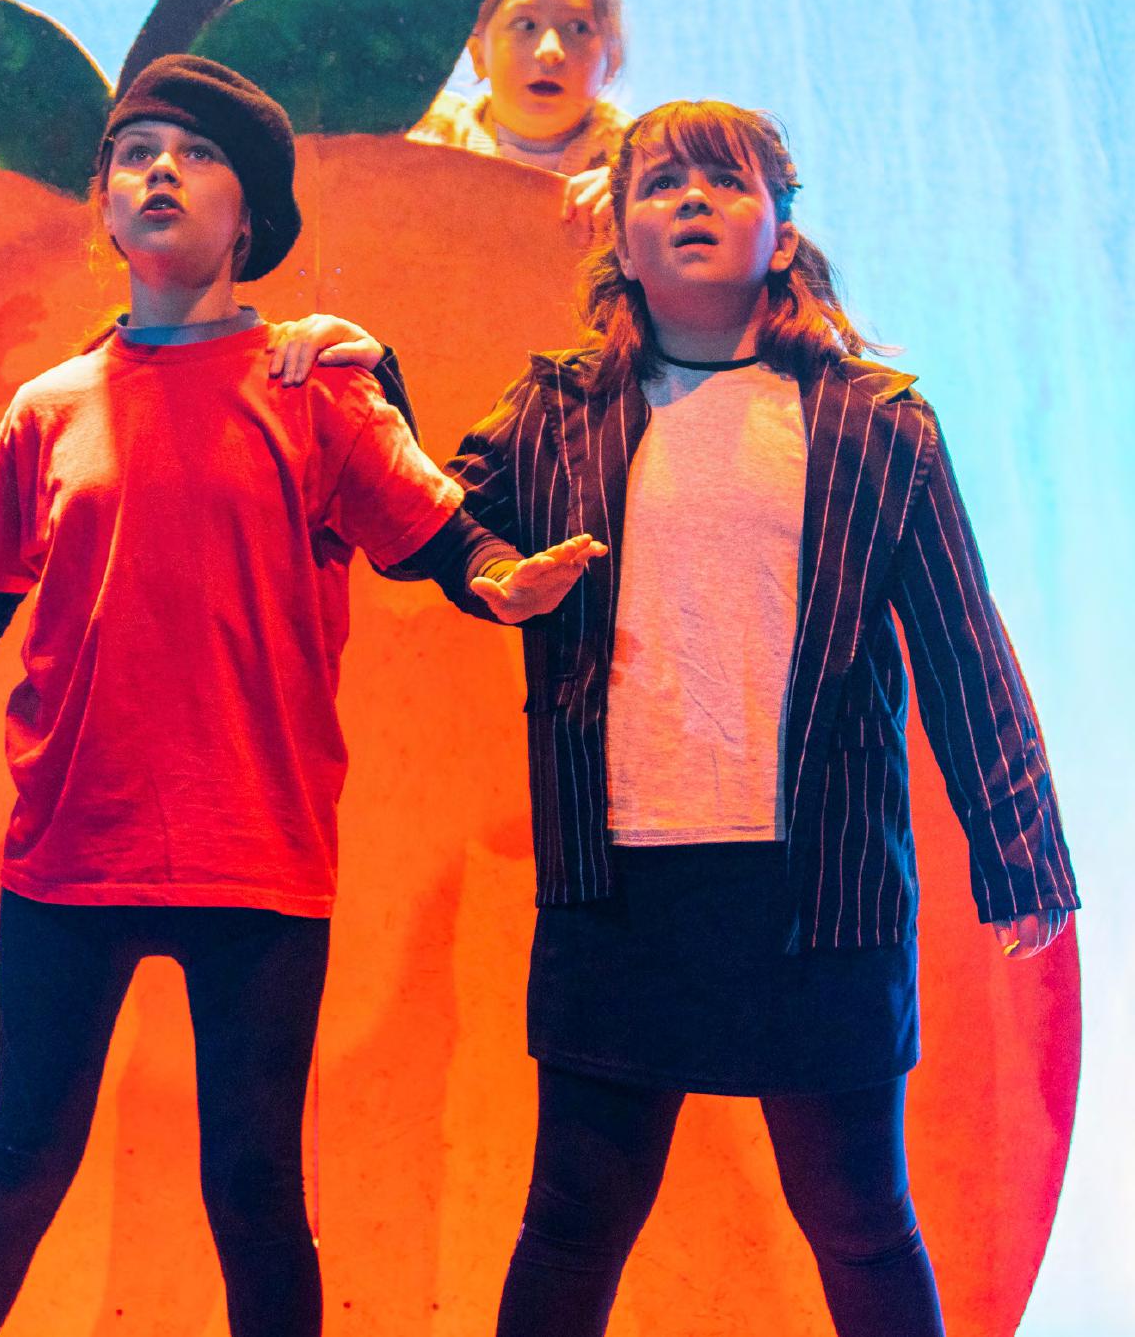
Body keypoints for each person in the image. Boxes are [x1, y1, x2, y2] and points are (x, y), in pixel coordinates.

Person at [0, 53, 595, 1337]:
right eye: (134, 152)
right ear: (107, 208)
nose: (159, 169)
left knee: (255, 1187)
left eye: (196, 152)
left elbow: (442, 537)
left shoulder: (316, 385)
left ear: (250, 216)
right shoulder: (46, 409)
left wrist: (501, 579)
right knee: (17, 1162)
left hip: (258, 852)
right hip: (75, 848)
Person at [437, 99, 1076, 1337]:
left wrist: (1019, 852)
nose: (690, 200)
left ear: (780, 232)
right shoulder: (556, 407)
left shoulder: (875, 420)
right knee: (571, 1218)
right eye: (659, 183)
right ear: (619, 238)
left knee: (858, 1215)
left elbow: (961, 644)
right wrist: (353, 371)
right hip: (616, 883)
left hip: (819, 889)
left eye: (723, 182)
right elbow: (428, 517)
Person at [134, 0, 628, 207]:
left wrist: (642, 199)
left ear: (612, 57)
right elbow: (262, 116)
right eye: (525, 25)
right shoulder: (418, 133)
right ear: (477, 51)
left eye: (578, 28)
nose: (549, 51)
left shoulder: (641, 161)